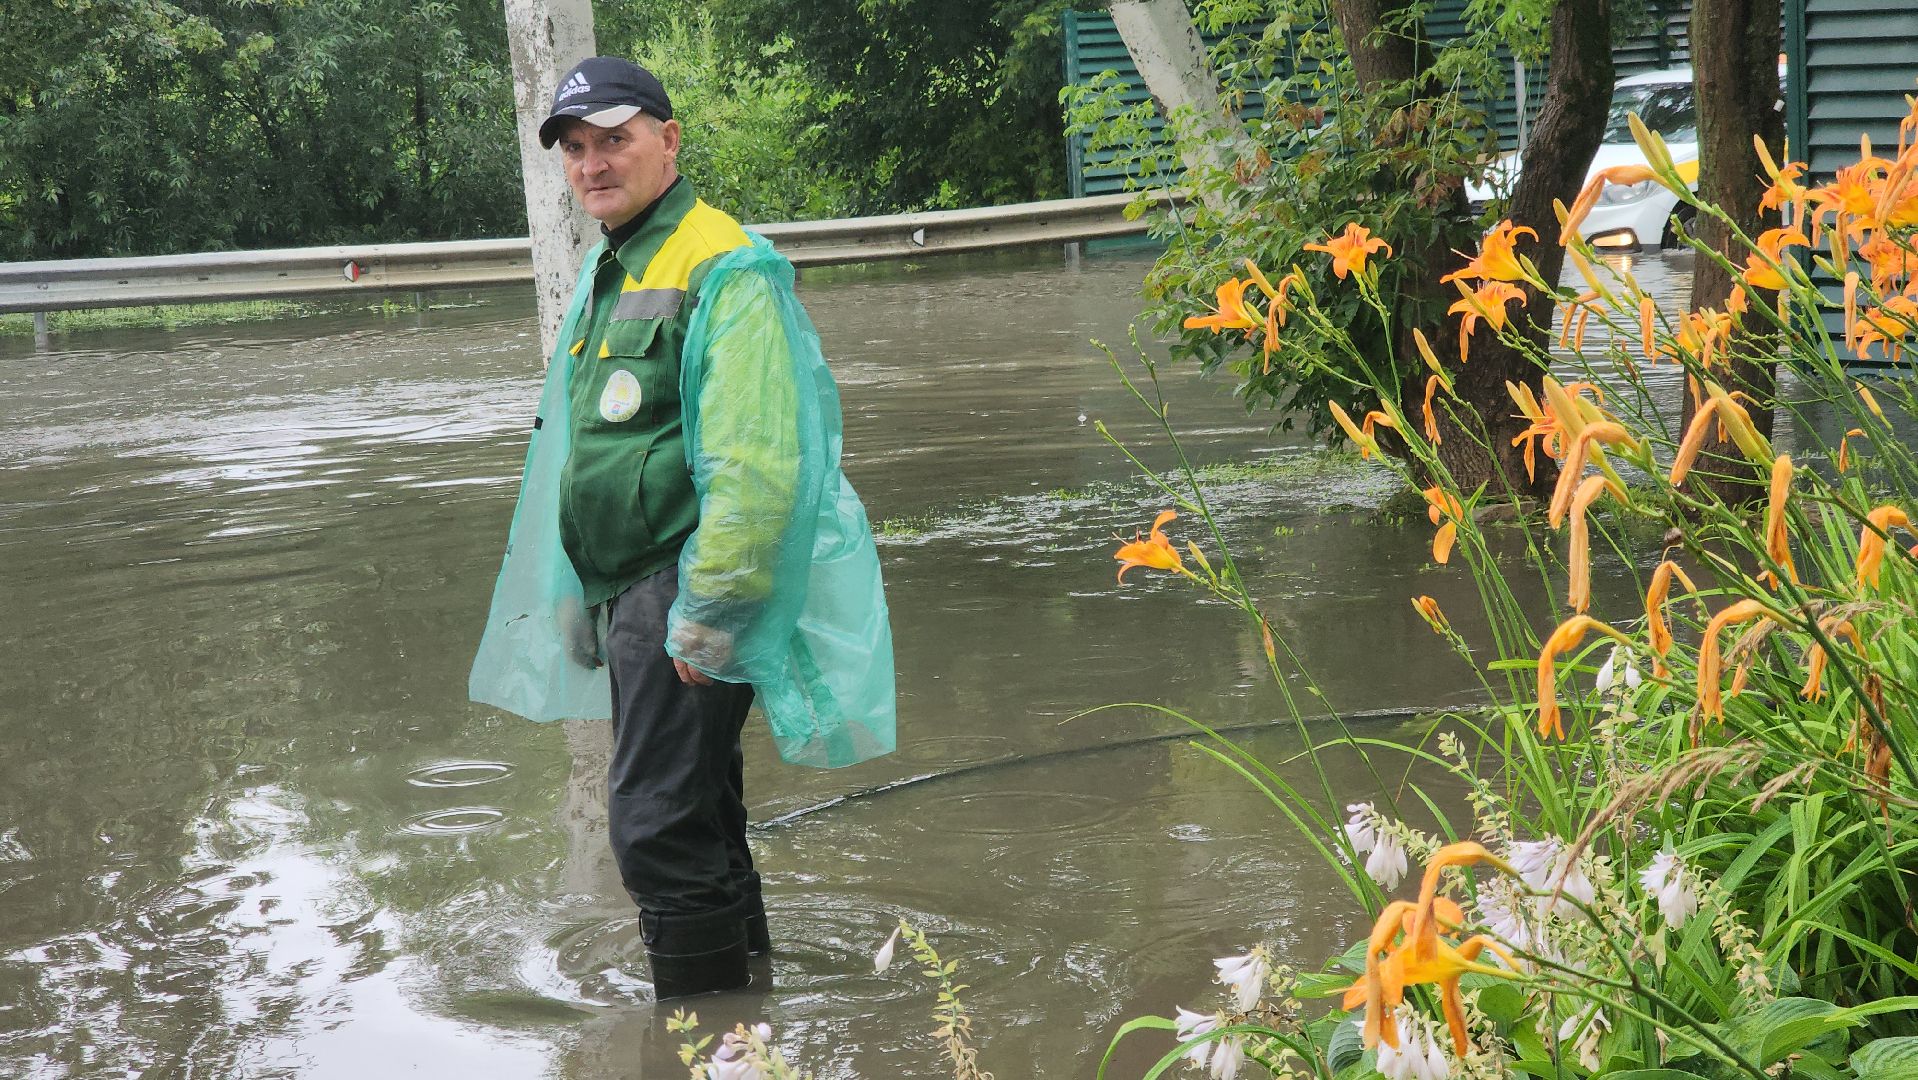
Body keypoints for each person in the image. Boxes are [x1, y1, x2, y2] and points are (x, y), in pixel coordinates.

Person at [503, 56, 895, 999]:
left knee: (653, 824)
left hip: (685, 582)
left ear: (668, 141)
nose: (594, 163)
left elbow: (758, 461)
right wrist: (572, 584)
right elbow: (587, 443)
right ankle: (745, 1020)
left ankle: (698, 1040)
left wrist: (711, 610)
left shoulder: (724, 262)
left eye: (616, 139)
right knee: (702, 814)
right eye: (577, 147)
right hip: (631, 582)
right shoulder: (620, 257)